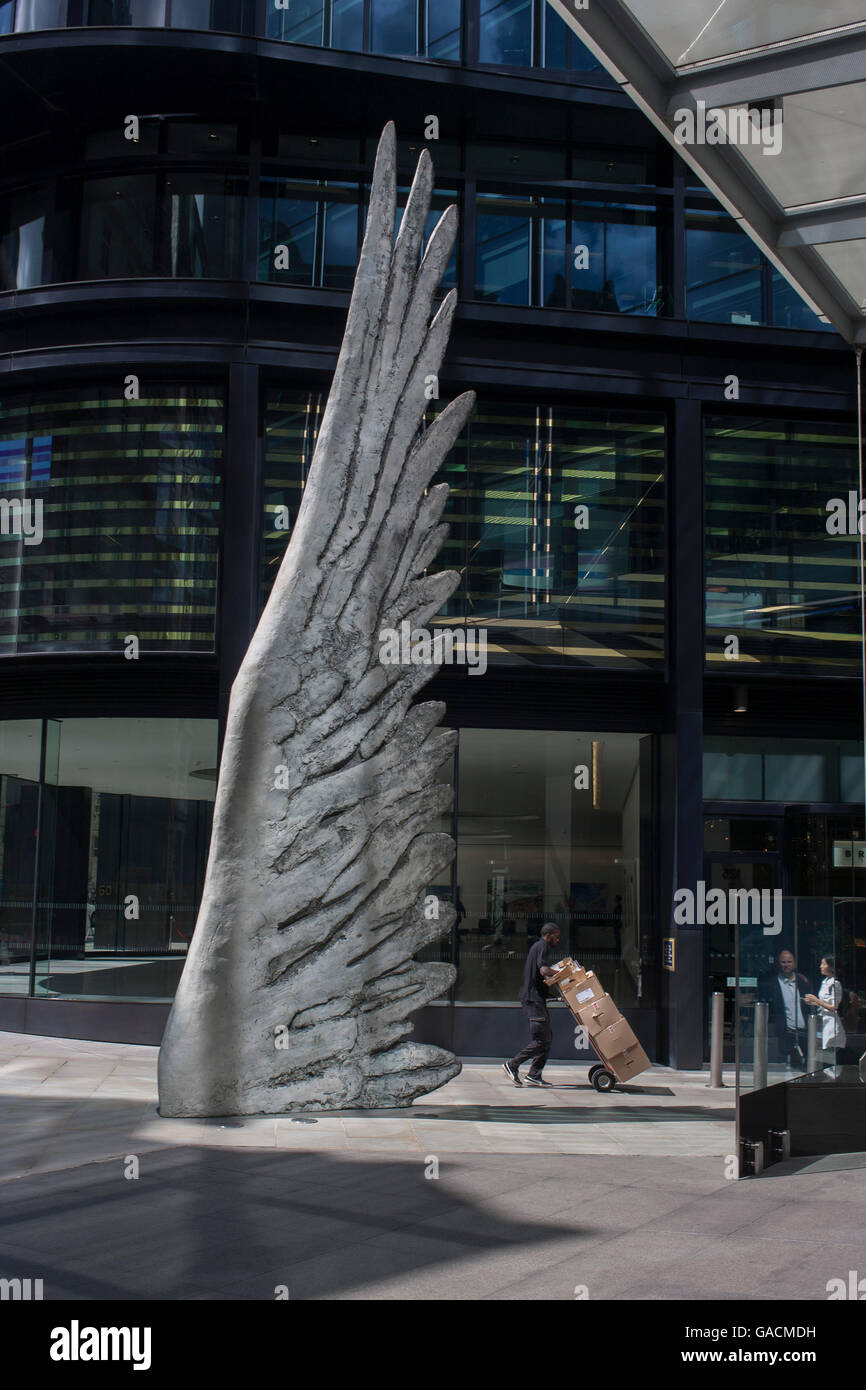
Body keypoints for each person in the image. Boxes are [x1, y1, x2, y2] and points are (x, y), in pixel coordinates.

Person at [502, 922, 561, 1088]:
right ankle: (512, 1064)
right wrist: (563, 974)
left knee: (546, 1038)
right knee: (542, 1039)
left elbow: (537, 979)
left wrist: (554, 997)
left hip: (536, 999)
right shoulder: (542, 946)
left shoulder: (537, 947)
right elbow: (543, 971)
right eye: (556, 936)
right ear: (549, 935)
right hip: (533, 1001)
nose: (558, 940)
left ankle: (534, 1075)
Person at [759, 949, 812, 1069]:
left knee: (805, 1066)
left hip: (803, 1032)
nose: (786, 965)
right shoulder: (771, 984)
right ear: (778, 963)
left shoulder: (804, 982)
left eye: (789, 962)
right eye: (783, 962)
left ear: (794, 964)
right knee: (783, 1066)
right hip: (783, 1033)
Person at [804, 955, 847, 1078]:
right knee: (824, 1057)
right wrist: (812, 1001)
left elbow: (833, 1006)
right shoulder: (825, 982)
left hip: (831, 1024)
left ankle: (833, 1081)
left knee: (831, 1059)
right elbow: (823, 1003)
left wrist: (816, 1000)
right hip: (822, 1022)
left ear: (831, 966)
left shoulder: (835, 984)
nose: (821, 966)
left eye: (823, 964)